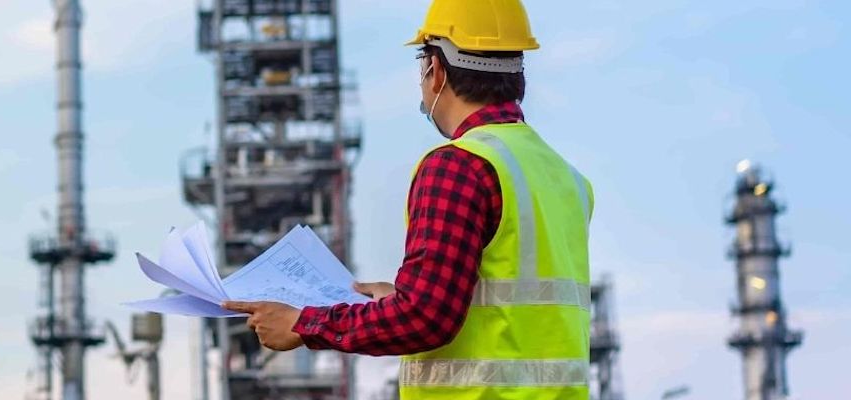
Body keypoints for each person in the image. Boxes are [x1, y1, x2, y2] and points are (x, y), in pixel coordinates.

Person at [223, 0, 595, 398]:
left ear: (435, 71)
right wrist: (400, 297)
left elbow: (425, 318)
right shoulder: (566, 178)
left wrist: (304, 323)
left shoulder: (458, 166)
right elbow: (512, 309)